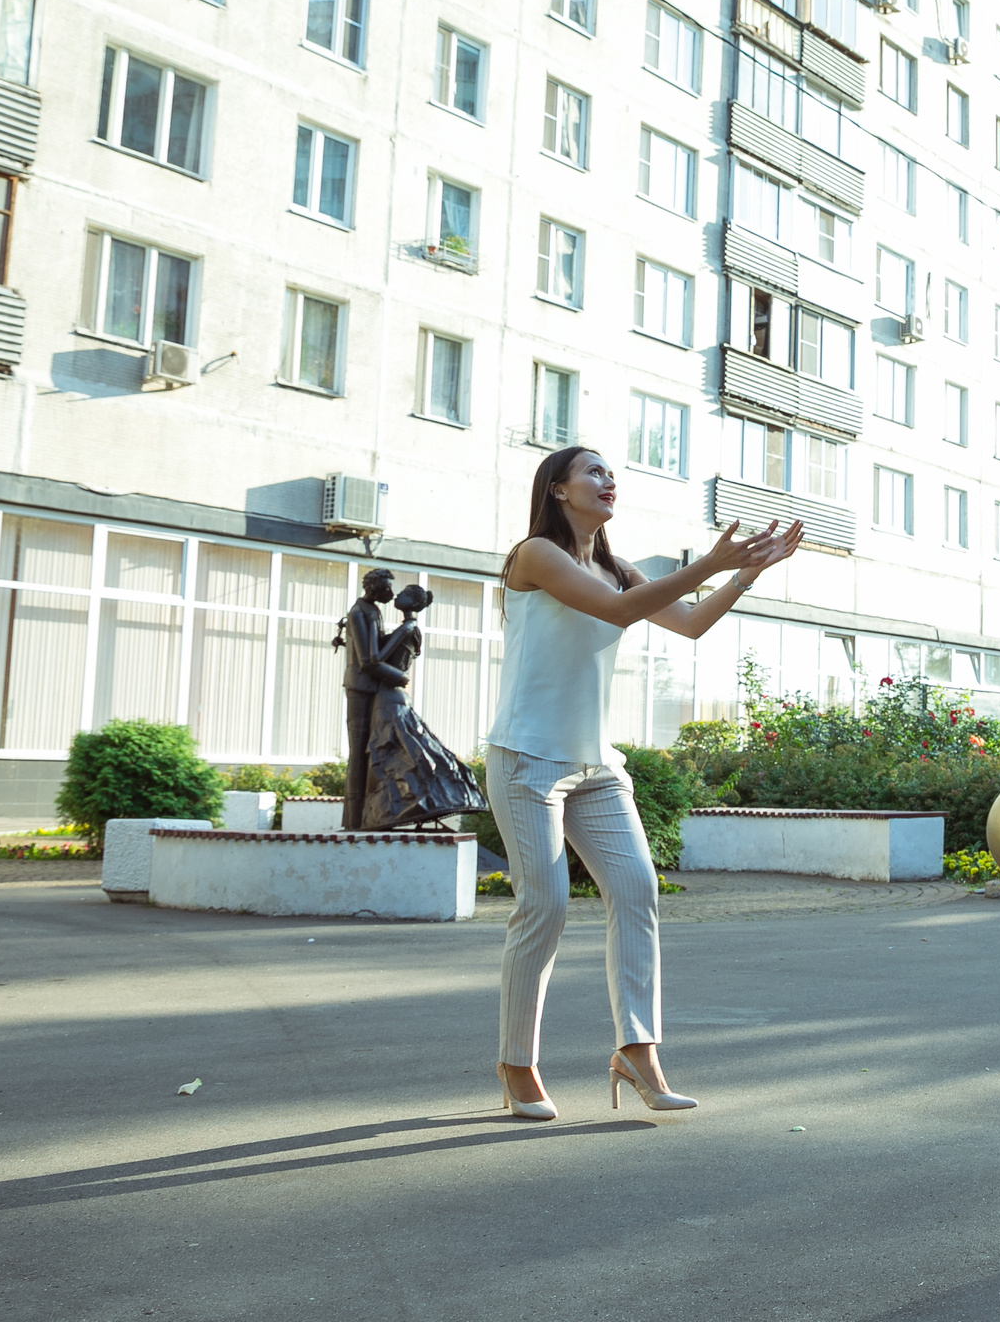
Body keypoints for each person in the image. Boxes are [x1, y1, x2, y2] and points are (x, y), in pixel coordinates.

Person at [489, 446, 800, 1122]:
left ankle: (638, 1051)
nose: (609, 480)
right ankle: (517, 1061)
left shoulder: (612, 565)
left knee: (637, 888)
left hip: (594, 765)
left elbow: (687, 623)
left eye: (611, 474)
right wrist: (712, 561)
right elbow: (620, 612)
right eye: (593, 471)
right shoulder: (536, 555)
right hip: (526, 757)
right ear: (560, 489)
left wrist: (744, 573)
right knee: (544, 906)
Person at [359, 584, 487, 831]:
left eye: (404, 593)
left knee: (401, 754)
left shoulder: (408, 627)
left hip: (390, 697)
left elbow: (375, 659)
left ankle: (425, 801)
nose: (398, 595)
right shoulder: (407, 629)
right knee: (401, 753)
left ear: (413, 603)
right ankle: (396, 807)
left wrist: (365, 646)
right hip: (391, 696)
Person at [337, 568, 397, 830]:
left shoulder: (374, 610)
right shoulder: (359, 612)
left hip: (373, 688)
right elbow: (369, 660)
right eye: (386, 588)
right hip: (361, 689)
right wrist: (399, 678)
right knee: (358, 754)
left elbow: (379, 646)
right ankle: (353, 822)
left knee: (371, 751)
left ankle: (367, 816)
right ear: (373, 588)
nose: (391, 594)